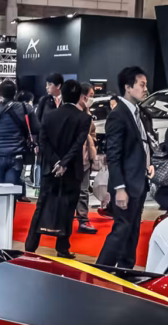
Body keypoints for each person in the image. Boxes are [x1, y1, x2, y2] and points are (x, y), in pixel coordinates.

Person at [24, 79, 92, 258]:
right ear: (79, 97)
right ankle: (62, 248)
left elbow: (43, 142)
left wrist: (56, 162)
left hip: (49, 169)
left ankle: (30, 245)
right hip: (72, 170)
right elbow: (78, 144)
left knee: (41, 205)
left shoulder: (49, 115)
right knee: (69, 208)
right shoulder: (84, 118)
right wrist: (64, 163)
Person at [97, 65, 153, 269]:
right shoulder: (118, 115)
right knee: (121, 230)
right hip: (126, 185)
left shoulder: (139, 113)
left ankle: (126, 270)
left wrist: (150, 164)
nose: (145, 89)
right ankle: (101, 271)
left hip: (139, 181)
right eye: (141, 84)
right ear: (128, 87)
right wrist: (119, 188)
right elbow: (114, 155)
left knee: (132, 230)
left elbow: (143, 145)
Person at [0, 78, 38, 193]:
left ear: (0, 93)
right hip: (16, 155)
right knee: (11, 192)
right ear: (15, 92)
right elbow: (36, 129)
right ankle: (11, 211)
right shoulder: (25, 108)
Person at [75, 83, 99, 234]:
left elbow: (93, 132)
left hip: (85, 157)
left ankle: (83, 220)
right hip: (72, 158)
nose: (92, 98)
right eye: (91, 95)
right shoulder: (73, 113)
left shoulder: (88, 114)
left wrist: (92, 143)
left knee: (83, 191)